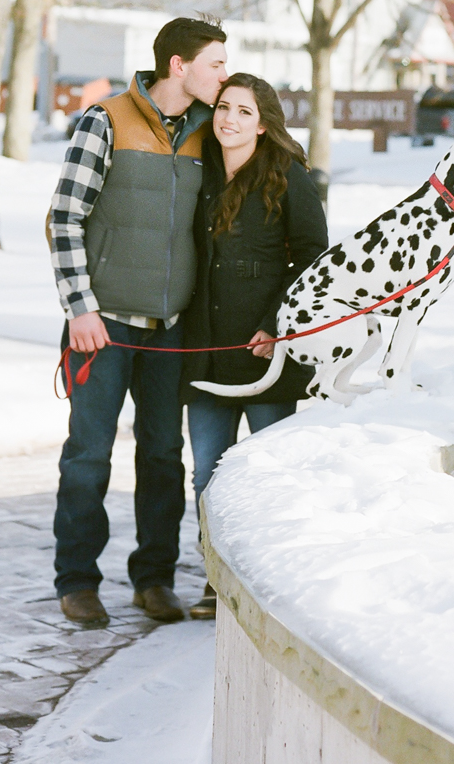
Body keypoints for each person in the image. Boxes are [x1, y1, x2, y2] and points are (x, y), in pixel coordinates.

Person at [49, 16, 229, 628]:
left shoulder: (209, 132)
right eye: (216, 64)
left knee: (162, 456)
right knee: (88, 457)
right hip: (101, 327)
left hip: (170, 329)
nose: (223, 77)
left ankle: (153, 579)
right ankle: (77, 580)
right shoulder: (105, 121)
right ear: (179, 66)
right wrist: (80, 309)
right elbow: (64, 218)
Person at [181, 72, 328, 619]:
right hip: (207, 350)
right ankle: (215, 581)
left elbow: (314, 255)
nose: (229, 120)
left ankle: (263, 582)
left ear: (263, 124)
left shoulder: (288, 175)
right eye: (223, 108)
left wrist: (277, 324)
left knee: (265, 472)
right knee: (207, 473)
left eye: (244, 112)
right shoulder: (201, 171)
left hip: (268, 351)